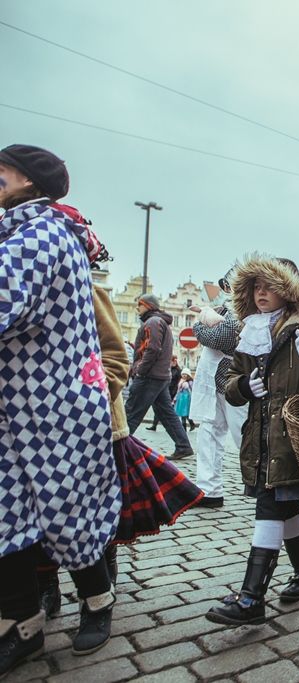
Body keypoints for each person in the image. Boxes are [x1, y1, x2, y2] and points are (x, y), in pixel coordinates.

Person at [35, 204, 203, 654]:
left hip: (94, 424)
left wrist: (95, 397)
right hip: (27, 430)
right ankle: (44, 588)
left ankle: (98, 593)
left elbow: (117, 357)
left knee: (91, 510)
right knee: (33, 515)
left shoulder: (91, 293)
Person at [0, 144, 121, 676]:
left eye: (1, 170)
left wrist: (108, 391)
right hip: (14, 408)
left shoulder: (43, 235)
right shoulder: (20, 233)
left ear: (29, 180)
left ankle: (97, 600)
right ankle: (21, 624)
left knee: (67, 513)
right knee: (7, 519)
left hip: (53, 407)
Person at [206, 256, 299, 626]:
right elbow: (230, 381)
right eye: (256, 287)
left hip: (292, 437)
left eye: (270, 286)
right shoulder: (249, 330)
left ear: (288, 289)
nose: (261, 293)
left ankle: (251, 597)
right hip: (260, 438)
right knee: (284, 503)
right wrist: (243, 387)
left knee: (269, 506)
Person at [190, 273, 246, 509]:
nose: (225, 290)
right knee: (209, 435)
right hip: (216, 383)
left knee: (245, 435)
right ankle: (209, 490)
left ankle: (268, 484)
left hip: (235, 383)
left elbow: (223, 337)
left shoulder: (243, 309)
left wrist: (199, 324)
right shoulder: (226, 308)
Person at [125, 297, 194, 457]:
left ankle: (116, 448)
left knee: (131, 412)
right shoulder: (159, 322)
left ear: (148, 306)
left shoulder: (153, 322)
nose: (137, 309)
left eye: (140, 305)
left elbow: (153, 349)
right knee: (166, 413)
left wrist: (140, 369)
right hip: (160, 376)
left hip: (149, 376)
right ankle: (183, 446)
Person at [147, 355, 182, 430]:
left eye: (175, 361)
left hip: (172, 392)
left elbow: (178, 382)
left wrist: (175, 393)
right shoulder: (167, 368)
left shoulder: (178, 371)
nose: (174, 362)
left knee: (169, 411)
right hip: (164, 390)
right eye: (172, 360)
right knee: (157, 408)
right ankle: (154, 425)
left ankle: (172, 427)